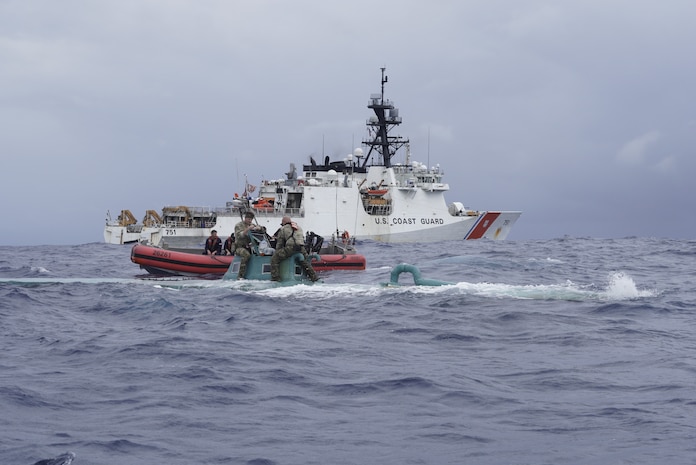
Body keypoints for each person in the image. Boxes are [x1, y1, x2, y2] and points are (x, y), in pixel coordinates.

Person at [271, 216, 318, 282]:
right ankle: (314, 277)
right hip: (301, 248)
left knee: (274, 258)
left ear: (283, 222)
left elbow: (280, 243)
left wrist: (277, 251)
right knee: (305, 262)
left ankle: (276, 278)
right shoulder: (298, 227)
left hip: (290, 247)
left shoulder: (283, 229)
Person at [234, 211, 262, 278]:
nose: (250, 221)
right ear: (245, 218)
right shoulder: (239, 225)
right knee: (246, 255)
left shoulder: (252, 225)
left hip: (250, 247)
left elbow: (262, 230)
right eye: (249, 219)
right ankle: (240, 276)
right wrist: (248, 229)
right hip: (239, 247)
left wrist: (259, 228)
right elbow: (240, 235)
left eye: (251, 219)